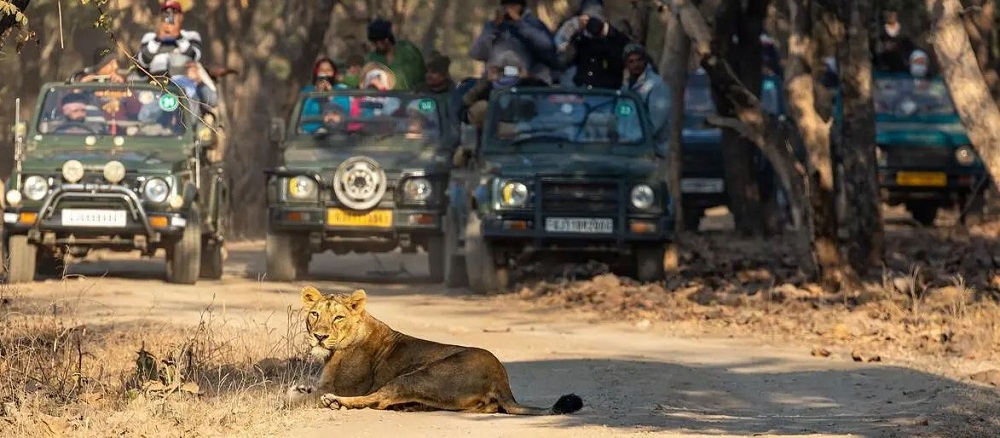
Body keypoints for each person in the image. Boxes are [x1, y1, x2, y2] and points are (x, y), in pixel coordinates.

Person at [469, 0, 558, 84]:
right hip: (495, 77)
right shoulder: (492, 26)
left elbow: (548, 48)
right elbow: (476, 53)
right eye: (506, 6)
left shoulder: (534, 24)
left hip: (526, 77)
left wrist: (521, 24)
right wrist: (493, 30)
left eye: (513, 6)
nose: (509, 9)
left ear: (521, 6)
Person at [554, 0, 631, 89]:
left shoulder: (618, 37)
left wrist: (605, 34)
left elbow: (620, 63)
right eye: (588, 20)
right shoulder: (579, 37)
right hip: (581, 92)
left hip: (607, 93)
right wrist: (576, 32)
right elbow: (562, 61)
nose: (591, 24)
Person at [462, 52, 548, 130]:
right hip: (494, 141)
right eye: (500, 70)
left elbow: (547, 94)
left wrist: (528, 77)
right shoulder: (486, 90)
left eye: (511, 70)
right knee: (481, 107)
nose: (506, 74)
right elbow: (466, 104)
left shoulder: (526, 87)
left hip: (525, 137)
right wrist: (485, 80)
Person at [622, 44, 670, 150]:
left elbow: (657, 119)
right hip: (629, 146)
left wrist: (640, 138)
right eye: (631, 61)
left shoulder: (656, 84)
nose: (636, 65)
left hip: (652, 148)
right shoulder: (625, 87)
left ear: (645, 61)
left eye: (639, 60)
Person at [138, 0, 203, 77]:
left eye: (174, 12)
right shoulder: (150, 37)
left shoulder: (191, 35)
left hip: (182, 84)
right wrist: (157, 39)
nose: (170, 16)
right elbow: (143, 61)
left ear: (181, 16)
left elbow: (195, 56)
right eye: (166, 13)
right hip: (156, 83)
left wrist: (179, 37)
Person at [364, 18, 426, 91]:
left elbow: (418, 77)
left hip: (410, 99)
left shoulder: (408, 52)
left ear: (386, 40)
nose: (374, 47)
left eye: (376, 43)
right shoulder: (372, 57)